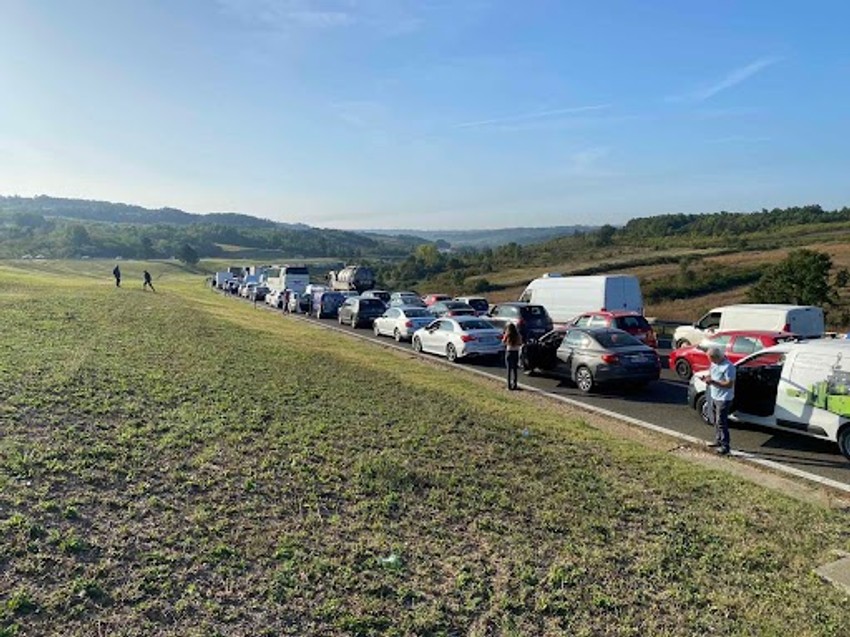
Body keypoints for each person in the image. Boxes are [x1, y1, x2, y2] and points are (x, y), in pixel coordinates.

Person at [702, 346, 736, 455]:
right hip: (714, 395)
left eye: (710, 359)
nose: (710, 361)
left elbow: (729, 384)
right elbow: (711, 374)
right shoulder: (714, 364)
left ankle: (725, 446)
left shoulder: (728, 367)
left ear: (716, 357)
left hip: (724, 398)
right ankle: (718, 440)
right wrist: (707, 378)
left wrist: (713, 382)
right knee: (716, 421)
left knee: (721, 422)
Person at [502, 323, 523, 390]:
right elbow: (520, 343)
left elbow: (503, 341)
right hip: (515, 352)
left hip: (509, 352)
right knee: (515, 370)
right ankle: (515, 384)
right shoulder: (517, 335)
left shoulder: (507, 334)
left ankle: (508, 386)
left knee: (508, 370)